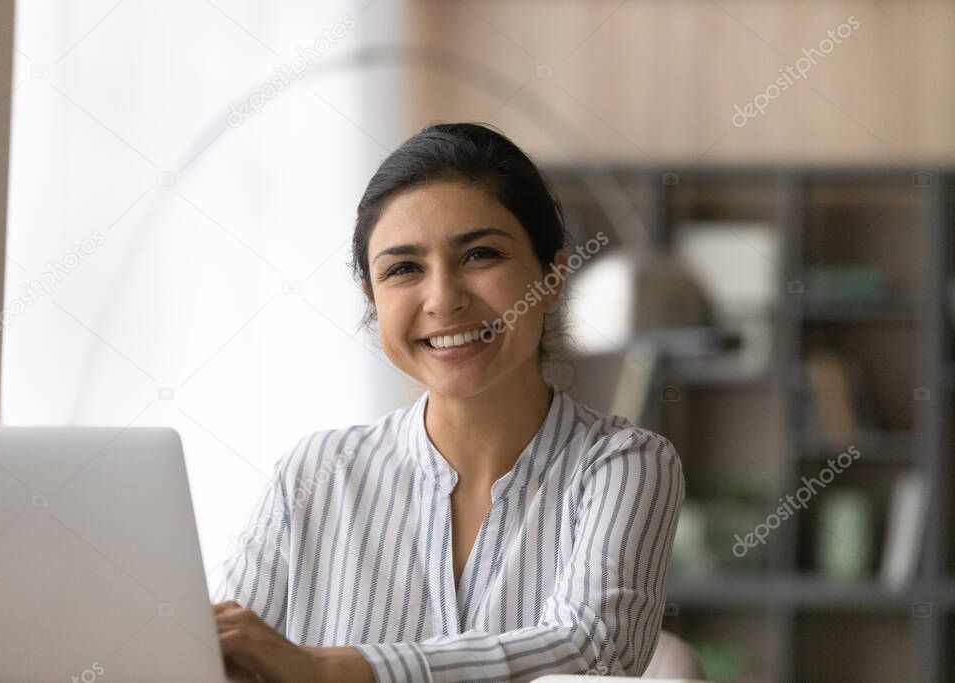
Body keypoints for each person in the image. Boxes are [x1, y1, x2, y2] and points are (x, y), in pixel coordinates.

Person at [211, 122, 684, 682]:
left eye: (480, 255)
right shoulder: (314, 473)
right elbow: (228, 662)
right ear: (372, 295)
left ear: (553, 275)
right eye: (403, 269)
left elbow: (592, 648)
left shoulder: (625, 463)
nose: (442, 299)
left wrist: (337, 669)